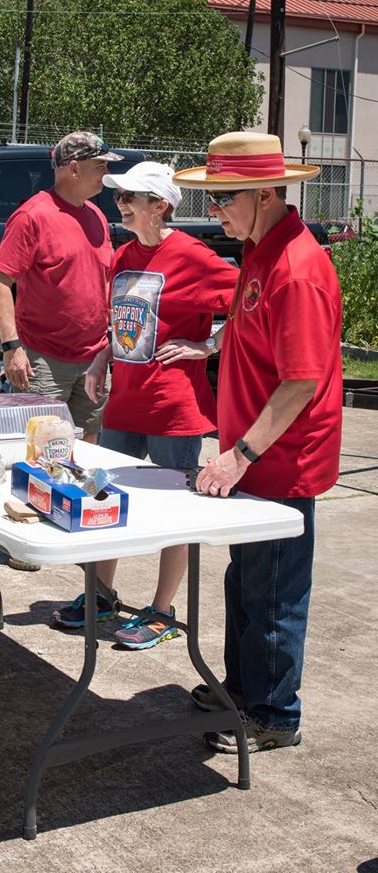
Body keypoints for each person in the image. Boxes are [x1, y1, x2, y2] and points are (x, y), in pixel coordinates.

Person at [172, 131, 342, 753]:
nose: (214, 212)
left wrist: (241, 453)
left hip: (277, 460)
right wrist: (211, 347)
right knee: (245, 581)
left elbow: (301, 380)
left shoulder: (296, 269)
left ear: (266, 194)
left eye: (224, 199)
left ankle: (273, 713)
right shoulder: (260, 252)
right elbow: (253, 336)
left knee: (271, 590)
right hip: (249, 457)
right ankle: (243, 691)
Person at [52, 162, 238, 640]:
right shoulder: (124, 255)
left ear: (160, 205)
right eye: (118, 197)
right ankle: (101, 594)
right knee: (101, 496)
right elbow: (120, 323)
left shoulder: (192, 255)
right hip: (126, 402)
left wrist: (209, 345)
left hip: (174, 407)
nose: (120, 205)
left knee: (178, 510)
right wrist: (99, 361)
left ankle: (162, 612)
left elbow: (254, 300)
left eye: (130, 197)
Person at [0, 131, 120, 570]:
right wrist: (12, 347)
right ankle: (27, 540)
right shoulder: (33, 217)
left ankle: (78, 528)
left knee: (89, 448)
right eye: (100, 166)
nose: (107, 173)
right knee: (42, 450)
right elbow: (0, 283)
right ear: (73, 168)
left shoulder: (98, 218)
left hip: (95, 354)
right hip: (44, 355)